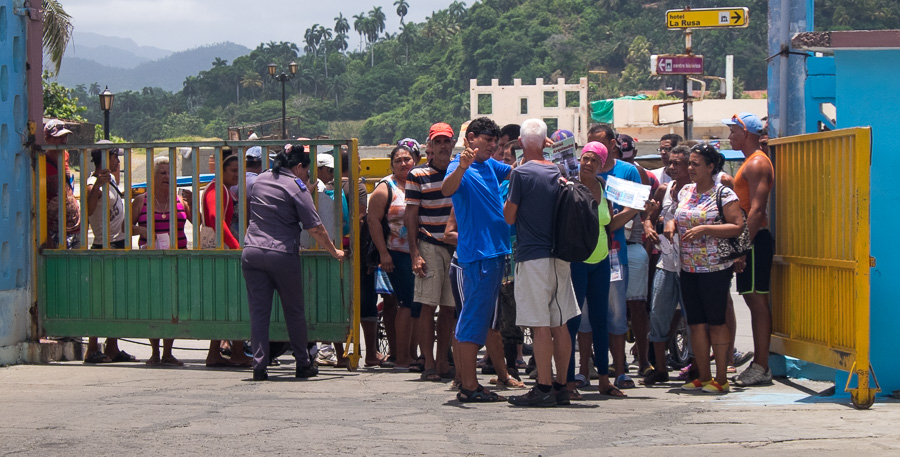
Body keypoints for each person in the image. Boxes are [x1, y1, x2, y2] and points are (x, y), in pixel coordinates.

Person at [243, 144, 344, 381]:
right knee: (294, 311)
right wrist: (333, 252)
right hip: (281, 254)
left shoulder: (260, 180)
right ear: (299, 167)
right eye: (308, 172)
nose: (308, 177)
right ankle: (302, 362)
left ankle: (259, 365)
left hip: (252, 251)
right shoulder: (296, 186)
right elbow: (316, 227)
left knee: (258, 313)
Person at [504, 119, 580, 407]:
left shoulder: (520, 174)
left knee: (539, 326)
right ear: (545, 142)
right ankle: (562, 385)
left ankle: (543, 387)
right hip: (559, 254)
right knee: (560, 323)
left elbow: (509, 216)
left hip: (532, 255)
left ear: (522, 143)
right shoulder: (559, 171)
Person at [441, 117, 511, 402]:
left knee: (471, 322)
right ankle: (469, 386)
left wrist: (545, 153)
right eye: (487, 141)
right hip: (479, 255)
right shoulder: (459, 165)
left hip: (493, 253)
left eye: (495, 142)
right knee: (473, 322)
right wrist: (461, 166)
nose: (493, 146)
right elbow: (446, 189)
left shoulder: (490, 164)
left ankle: (467, 382)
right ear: (470, 138)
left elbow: (517, 171)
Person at [666, 143, 745, 394]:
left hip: (715, 269)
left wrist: (706, 229)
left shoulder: (724, 194)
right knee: (696, 323)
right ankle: (703, 374)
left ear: (711, 167)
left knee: (716, 321)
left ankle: (721, 378)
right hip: (688, 267)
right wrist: (669, 223)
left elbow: (737, 226)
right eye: (689, 163)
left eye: (695, 164)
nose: (690, 168)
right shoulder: (687, 190)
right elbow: (674, 214)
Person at [566, 141, 623, 397]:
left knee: (601, 320)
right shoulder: (568, 186)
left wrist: (635, 210)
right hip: (576, 260)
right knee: (572, 321)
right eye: (585, 159)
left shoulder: (603, 187)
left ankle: (603, 379)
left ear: (602, 165)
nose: (587, 164)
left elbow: (609, 222)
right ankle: (567, 380)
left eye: (593, 160)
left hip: (600, 261)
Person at [587, 124, 641, 390]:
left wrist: (613, 222)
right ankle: (585, 371)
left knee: (617, 313)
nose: (594, 152)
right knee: (585, 314)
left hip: (616, 253)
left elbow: (634, 208)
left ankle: (620, 370)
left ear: (612, 144)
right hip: (586, 255)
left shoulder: (627, 171)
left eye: (598, 145)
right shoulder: (582, 173)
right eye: (589, 147)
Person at [725, 112, 775, 387]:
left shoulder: (756, 163)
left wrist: (743, 246)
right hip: (749, 239)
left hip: (754, 239)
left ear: (747, 133)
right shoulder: (748, 163)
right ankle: (760, 363)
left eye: (734, 131)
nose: (730, 136)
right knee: (751, 299)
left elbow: (757, 210)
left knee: (757, 302)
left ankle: (762, 365)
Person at [405, 123, 458, 381]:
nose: (443, 146)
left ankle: (442, 360)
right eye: (438, 142)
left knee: (449, 307)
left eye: (446, 141)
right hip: (430, 244)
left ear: (452, 143)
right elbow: (411, 215)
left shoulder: (459, 171)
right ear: (430, 146)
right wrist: (415, 252)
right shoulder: (418, 175)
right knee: (427, 305)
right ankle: (428, 361)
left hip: (455, 246)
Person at [82, 141, 137, 364]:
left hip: (119, 242)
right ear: (106, 157)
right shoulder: (91, 183)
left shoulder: (112, 180)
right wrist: (97, 186)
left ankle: (112, 346)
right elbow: (89, 208)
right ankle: (93, 346)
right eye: (116, 156)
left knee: (117, 298)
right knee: (100, 298)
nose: (119, 160)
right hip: (105, 244)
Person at [132, 156, 190, 366]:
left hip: (177, 259)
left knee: (173, 305)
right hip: (151, 262)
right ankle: (155, 352)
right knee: (154, 305)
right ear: (152, 177)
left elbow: (200, 221)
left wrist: (192, 204)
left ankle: (168, 352)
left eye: (169, 172)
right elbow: (124, 228)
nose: (167, 176)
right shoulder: (141, 201)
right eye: (162, 173)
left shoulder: (180, 201)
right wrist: (143, 230)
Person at [368, 144, 420, 370]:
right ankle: (401, 357)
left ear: (415, 160)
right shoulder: (385, 187)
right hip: (396, 253)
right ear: (392, 164)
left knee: (417, 304)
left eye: (407, 159)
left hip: (418, 253)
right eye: (398, 160)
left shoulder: (418, 183)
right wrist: (383, 253)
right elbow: (372, 221)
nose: (403, 163)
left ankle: (411, 353)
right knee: (406, 303)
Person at [642, 145, 691, 385]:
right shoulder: (664, 189)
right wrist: (650, 227)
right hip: (666, 261)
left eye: (678, 163)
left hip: (692, 263)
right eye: (670, 163)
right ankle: (659, 367)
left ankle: (696, 365)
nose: (672, 168)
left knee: (693, 317)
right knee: (658, 312)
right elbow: (648, 219)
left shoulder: (696, 192)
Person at [201, 152, 253, 367]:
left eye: (239, 171)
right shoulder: (218, 190)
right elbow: (215, 219)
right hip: (222, 252)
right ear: (221, 171)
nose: (236, 175)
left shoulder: (218, 189)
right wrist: (235, 246)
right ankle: (238, 352)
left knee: (221, 304)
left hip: (215, 250)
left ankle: (215, 353)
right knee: (235, 302)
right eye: (232, 171)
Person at [616, 133, 655, 377]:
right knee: (614, 309)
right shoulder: (594, 170)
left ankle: (643, 358)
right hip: (608, 246)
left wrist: (648, 222)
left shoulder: (637, 173)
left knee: (637, 305)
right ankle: (616, 360)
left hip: (631, 243)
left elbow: (644, 210)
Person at [43, 119, 81, 249]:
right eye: (59, 137)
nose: (63, 141)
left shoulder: (65, 156)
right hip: (56, 230)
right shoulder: (42, 163)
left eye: (65, 137)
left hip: (74, 227)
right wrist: (47, 236)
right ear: (47, 139)